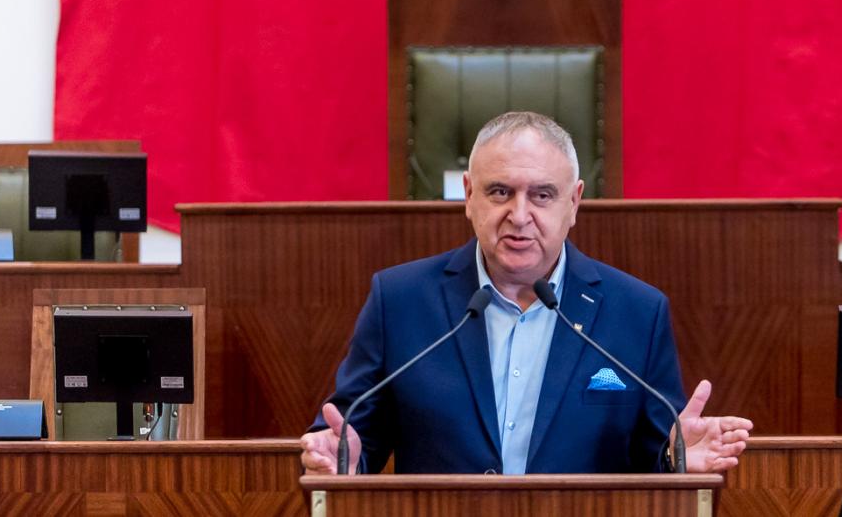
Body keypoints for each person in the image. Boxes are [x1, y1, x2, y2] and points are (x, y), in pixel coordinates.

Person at [301, 111, 751, 474]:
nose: (519, 216)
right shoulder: (399, 300)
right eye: (500, 192)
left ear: (573, 202)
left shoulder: (636, 312)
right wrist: (342, 462)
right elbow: (351, 436)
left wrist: (676, 460)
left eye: (542, 195)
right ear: (469, 195)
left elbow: (653, 462)